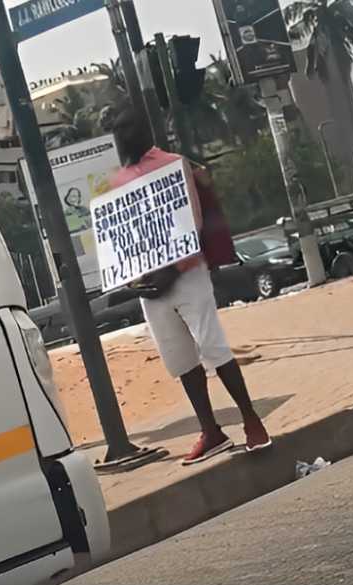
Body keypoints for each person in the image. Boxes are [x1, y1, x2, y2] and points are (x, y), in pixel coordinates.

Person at [110, 109, 271, 465]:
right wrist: (135, 279)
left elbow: (193, 221)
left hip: (187, 275)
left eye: (127, 127)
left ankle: (251, 419)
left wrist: (173, 269)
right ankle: (210, 431)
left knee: (212, 345)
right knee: (179, 358)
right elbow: (126, 238)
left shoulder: (174, 164)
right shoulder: (117, 183)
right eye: (116, 130)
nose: (121, 135)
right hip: (151, 286)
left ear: (145, 130)